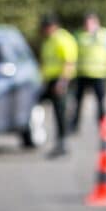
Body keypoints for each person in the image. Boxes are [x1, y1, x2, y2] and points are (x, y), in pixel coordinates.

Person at [70, 12, 106, 132]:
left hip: (100, 74)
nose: (88, 26)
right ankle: (74, 125)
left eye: (91, 23)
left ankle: (103, 125)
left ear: (97, 23)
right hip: (82, 73)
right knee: (77, 102)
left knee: (101, 102)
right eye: (86, 23)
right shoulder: (78, 35)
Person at [38, 13, 77, 156]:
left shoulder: (62, 39)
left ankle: (62, 143)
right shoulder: (50, 40)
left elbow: (69, 62)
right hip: (51, 80)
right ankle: (54, 140)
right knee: (53, 110)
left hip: (61, 80)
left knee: (60, 112)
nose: (44, 30)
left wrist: (62, 82)